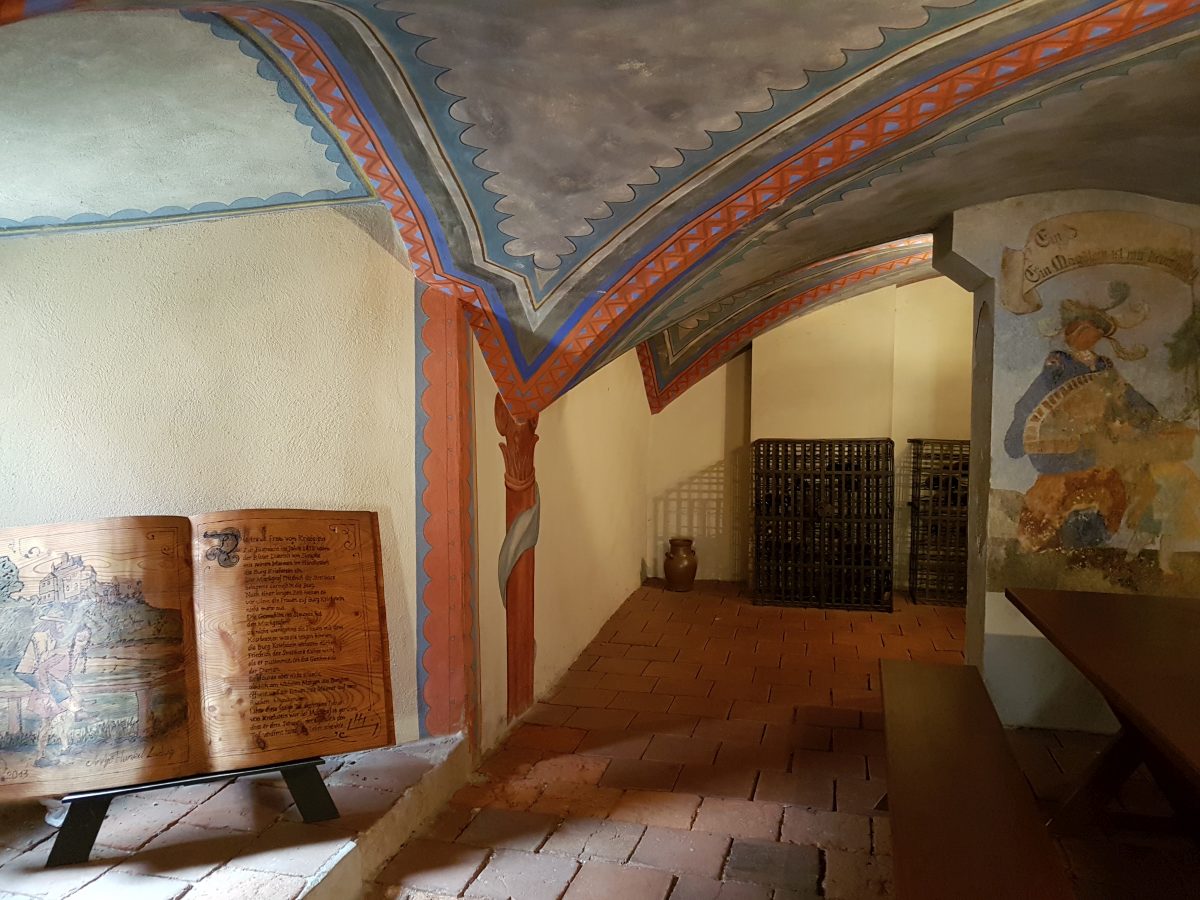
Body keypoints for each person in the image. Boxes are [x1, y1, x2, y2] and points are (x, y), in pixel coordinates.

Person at [1005, 291, 1157, 551]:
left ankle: (1087, 542)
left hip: (1096, 445)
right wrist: (1020, 431)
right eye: (1088, 329)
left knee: (1113, 488)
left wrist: (1147, 416)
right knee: (1060, 494)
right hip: (1064, 448)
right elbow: (1035, 397)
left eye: (1097, 330)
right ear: (1075, 331)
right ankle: (1058, 541)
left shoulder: (1103, 366)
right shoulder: (1060, 363)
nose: (1094, 335)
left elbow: (1125, 394)